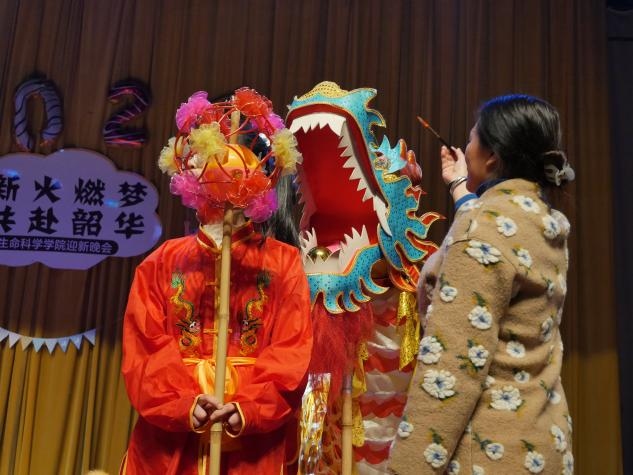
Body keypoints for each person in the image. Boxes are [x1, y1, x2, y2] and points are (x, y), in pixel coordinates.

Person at [389, 95, 575, 475]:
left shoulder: (481, 230)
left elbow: (451, 367)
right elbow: (493, 240)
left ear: (492, 157)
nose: (466, 145)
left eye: (472, 138)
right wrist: (461, 188)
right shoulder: (541, 219)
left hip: (490, 454)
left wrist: (406, 468)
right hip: (543, 443)